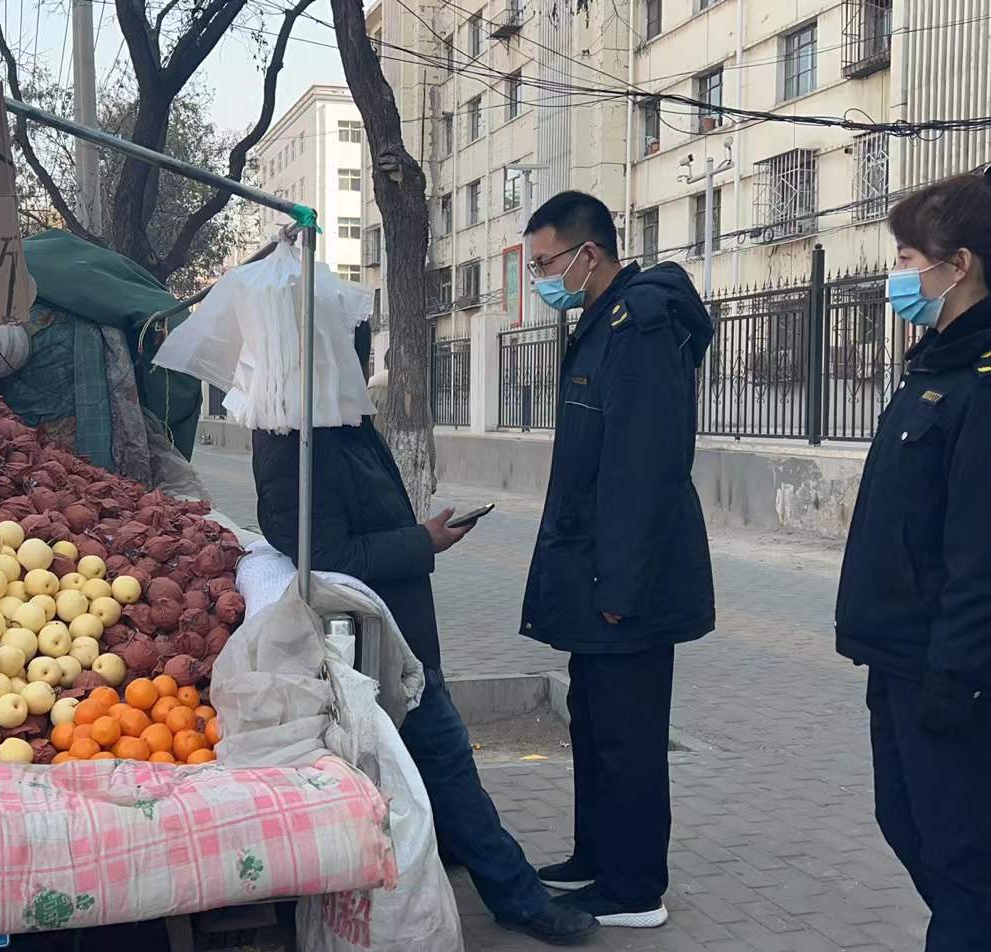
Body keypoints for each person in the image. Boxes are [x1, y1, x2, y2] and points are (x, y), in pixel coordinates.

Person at [251, 322, 600, 946]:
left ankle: (464, 854)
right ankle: (516, 895)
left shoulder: (342, 421)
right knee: (446, 756)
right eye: (352, 361)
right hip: (368, 640)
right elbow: (321, 552)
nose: (362, 375)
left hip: (398, 628)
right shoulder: (293, 439)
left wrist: (419, 534)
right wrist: (422, 541)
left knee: (435, 760)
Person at [835, 157, 991, 952]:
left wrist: (959, 680)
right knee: (913, 827)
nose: (896, 274)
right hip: (903, 655)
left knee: (962, 856)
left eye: (906, 259)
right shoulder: (938, 368)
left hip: (952, 671)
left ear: (957, 266)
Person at [518, 191, 716, 930]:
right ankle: (597, 855)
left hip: (625, 580)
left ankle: (635, 888)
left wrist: (619, 586)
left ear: (587, 255)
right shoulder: (604, 322)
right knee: (595, 722)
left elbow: (643, 468)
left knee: (629, 735)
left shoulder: (640, 326)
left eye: (544, 263)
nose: (539, 278)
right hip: (596, 569)